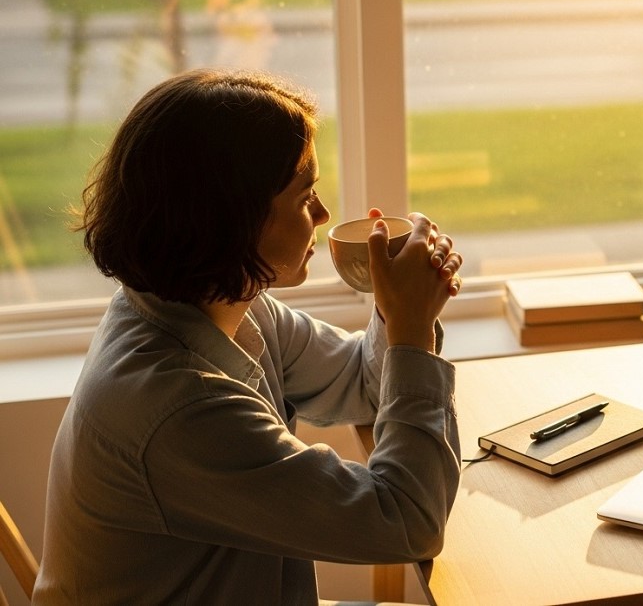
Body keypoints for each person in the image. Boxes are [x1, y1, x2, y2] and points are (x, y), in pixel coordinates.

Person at [33, 68, 464, 604]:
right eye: (306, 196)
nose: (325, 214)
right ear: (235, 219)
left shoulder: (220, 305)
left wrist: (395, 308)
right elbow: (406, 522)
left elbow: (360, 380)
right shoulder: (181, 407)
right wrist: (411, 330)